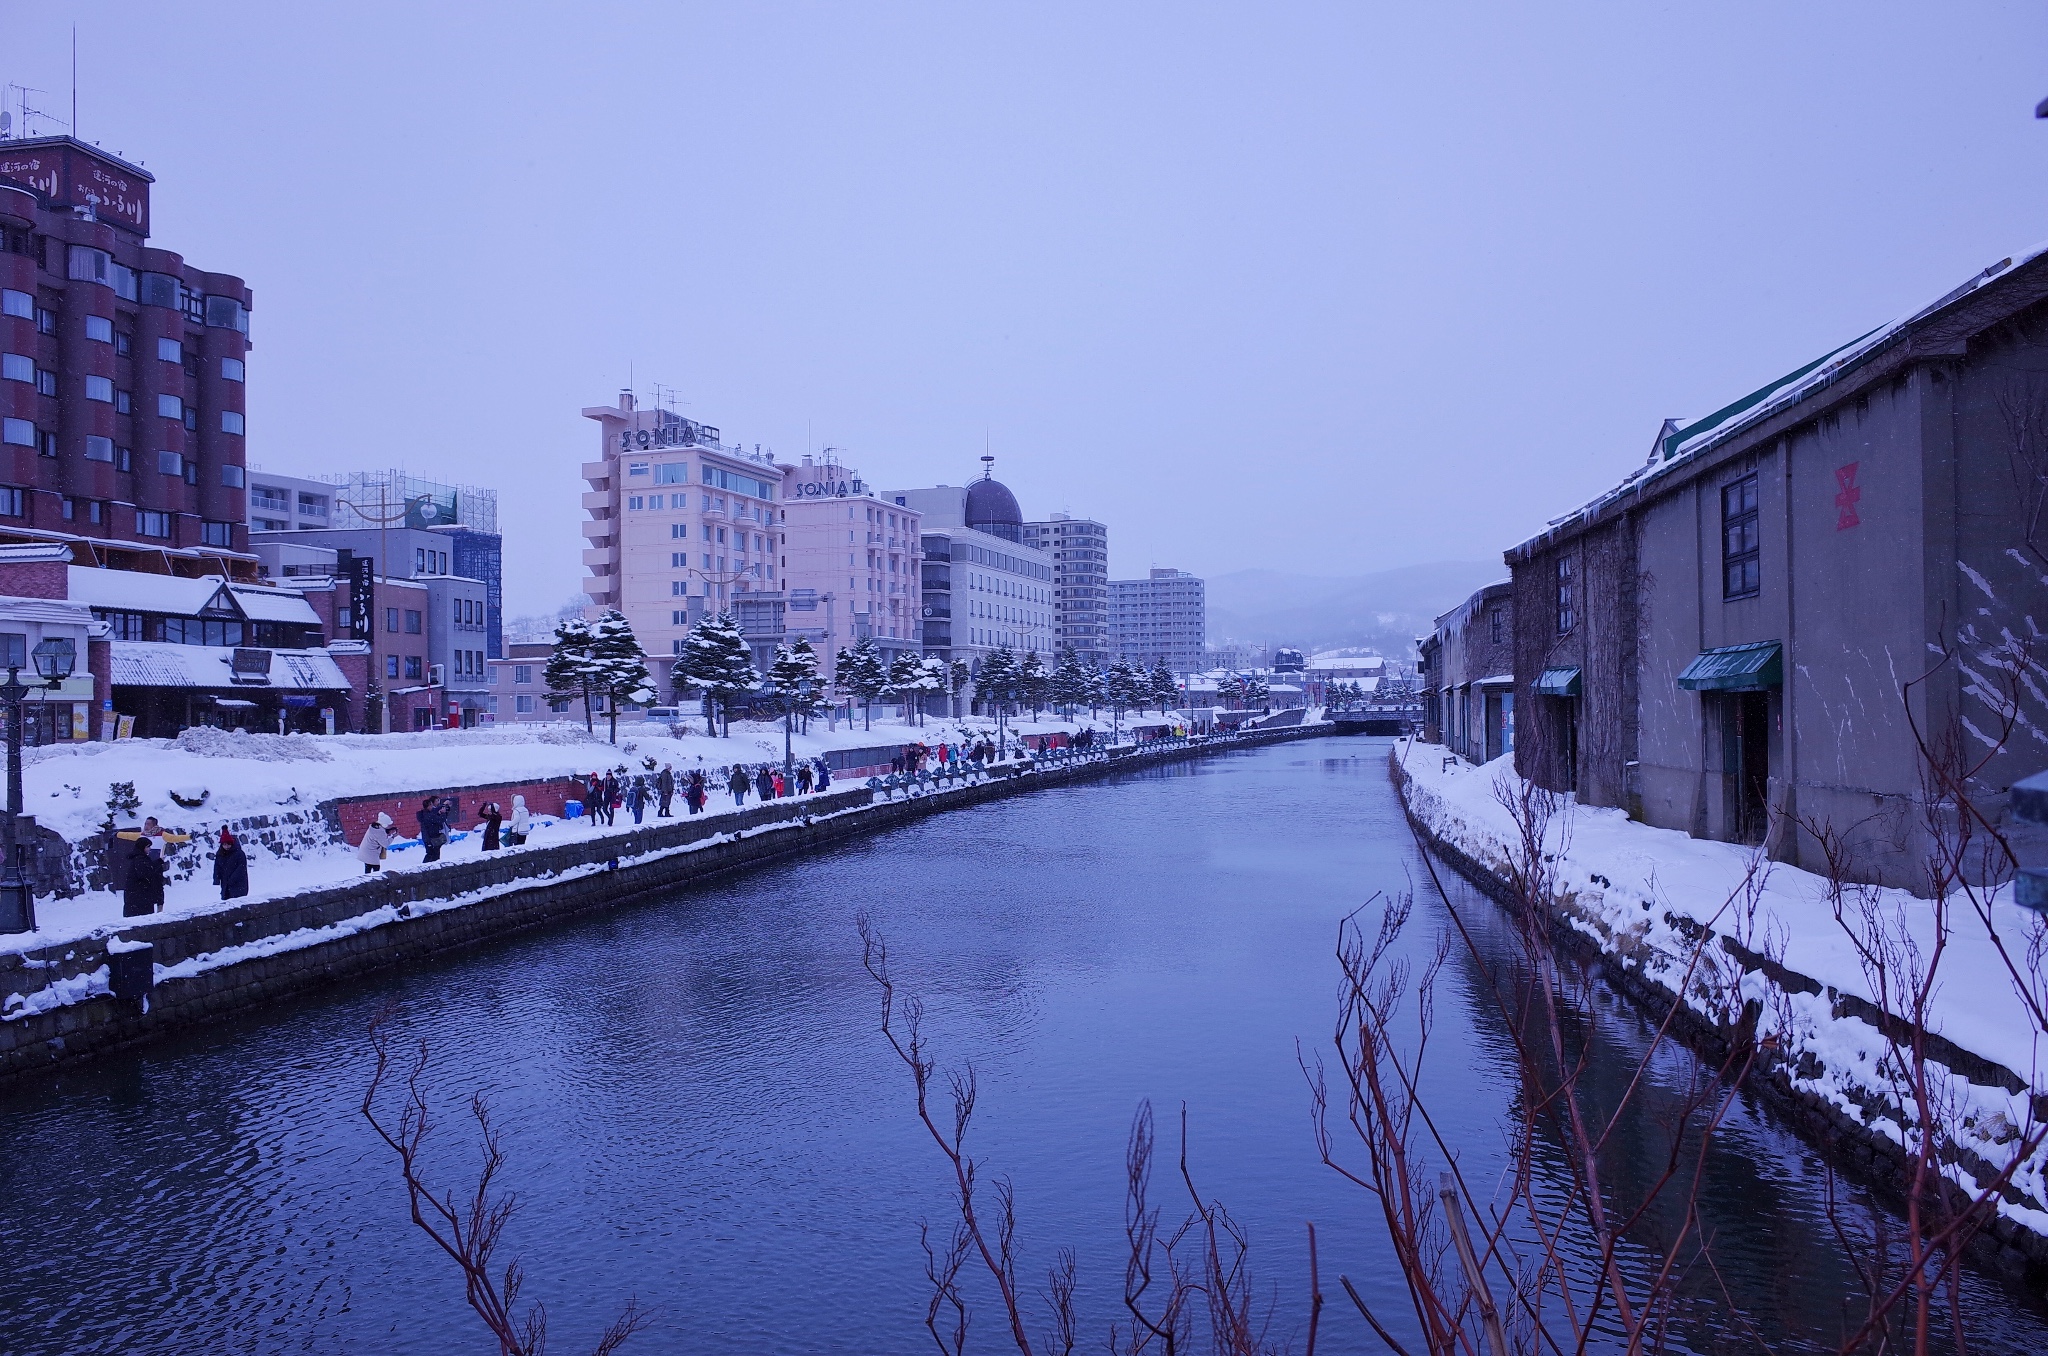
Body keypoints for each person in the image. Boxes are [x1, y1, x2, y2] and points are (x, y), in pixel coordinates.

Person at [121, 833, 164, 916]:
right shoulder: (140, 859)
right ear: (142, 847)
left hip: (136, 898)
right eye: (148, 847)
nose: (150, 849)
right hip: (139, 898)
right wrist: (159, 862)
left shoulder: (138, 858)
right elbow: (145, 873)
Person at [212, 828, 249, 901]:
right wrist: (216, 878)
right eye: (224, 844)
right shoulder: (220, 854)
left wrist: (232, 879)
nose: (226, 846)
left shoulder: (239, 854)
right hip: (225, 883)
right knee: (227, 900)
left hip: (239, 884)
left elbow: (241, 868)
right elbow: (217, 867)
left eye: (228, 844)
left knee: (238, 901)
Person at [416, 796, 448, 863]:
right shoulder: (429, 815)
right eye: (431, 805)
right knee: (433, 854)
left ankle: (428, 867)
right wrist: (443, 813)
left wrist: (443, 806)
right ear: (428, 806)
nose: (432, 807)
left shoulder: (424, 813)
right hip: (431, 838)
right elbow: (440, 820)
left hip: (428, 837)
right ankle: (426, 868)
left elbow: (435, 811)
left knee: (431, 853)